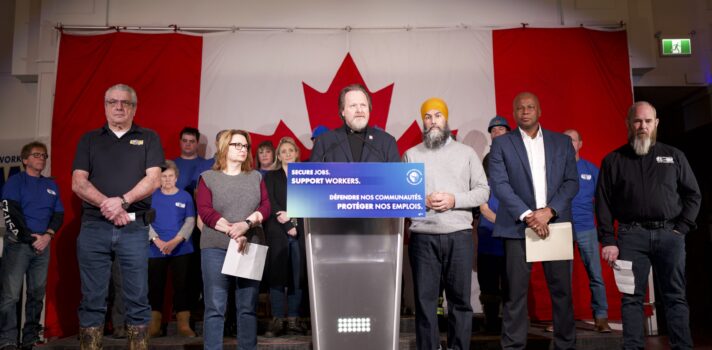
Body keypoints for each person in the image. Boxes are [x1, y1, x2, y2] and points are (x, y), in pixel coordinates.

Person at [596, 101, 701, 350]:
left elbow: (693, 195)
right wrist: (609, 240)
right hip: (631, 237)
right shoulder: (613, 161)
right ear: (629, 124)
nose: (642, 126)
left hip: (669, 235)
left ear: (656, 124)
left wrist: (681, 229)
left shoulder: (675, 156)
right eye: (637, 121)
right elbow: (603, 204)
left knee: (675, 296)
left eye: (647, 121)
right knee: (631, 298)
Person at [72, 83, 164, 349]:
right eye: (113, 102)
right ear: (105, 106)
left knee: (137, 298)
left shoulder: (149, 137)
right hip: (94, 228)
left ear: (134, 108)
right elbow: (78, 183)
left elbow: (154, 179)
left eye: (125, 103)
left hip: (134, 229)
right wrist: (109, 206)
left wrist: (122, 202)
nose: (119, 107)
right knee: (92, 298)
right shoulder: (89, 139)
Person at [489, 92, 578, 350]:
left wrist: (549, 211)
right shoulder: (502, 144)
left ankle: (565, 345)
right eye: (520, 108)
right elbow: (500, 184)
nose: (525, 111)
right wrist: (529, 215)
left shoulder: (561, 142)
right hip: (518, 226)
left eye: (530, 107)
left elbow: (571, 183)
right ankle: (514, 346)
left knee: (562, 293)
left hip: (555, 224)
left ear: (539, 111)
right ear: (514, 113)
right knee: (515, 294)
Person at [403, 98, 490, 350]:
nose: (433, 121)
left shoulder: (466, 153)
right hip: (423, 237)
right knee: (425, 302)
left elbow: (483, 191)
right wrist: (422, 199)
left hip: (459, 235)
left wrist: (454, 200)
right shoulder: (411, 154)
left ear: (446, 120)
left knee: (460, 302)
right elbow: (403, 197)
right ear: (423, 122)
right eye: (427, 117)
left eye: (437, 116)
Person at [196, 129, 271, 350]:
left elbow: (265, 207)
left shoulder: (256, 176)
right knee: (215, 307)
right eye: (237, 145)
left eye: (245, 146)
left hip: (250, 245)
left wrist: (245, 225)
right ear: (224, 148)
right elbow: (205, 211)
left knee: (247, 307)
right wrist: (233, 230)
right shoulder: (208, 178)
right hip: (215, 247)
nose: (242, 149)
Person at [0, 142, 64, 350]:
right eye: (36, 155)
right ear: (25, 159)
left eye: (44, 155)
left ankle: (30, 338)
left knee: (36, 293)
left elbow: (58, 214)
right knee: (11, 295)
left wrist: (47, 236)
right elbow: (11, 213)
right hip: (19, 245)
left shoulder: (51, 185)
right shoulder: (15, 182)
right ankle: (7, 340)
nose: (42, 158)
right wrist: (31, 238)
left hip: (43, 246)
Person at [559, 129, 611, 333]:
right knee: (562, 278)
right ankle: (563, 320)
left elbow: (603, 201)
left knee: (595, 275)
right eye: (565, 140)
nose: (568, 143)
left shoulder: (591, 169)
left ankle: (601, 317)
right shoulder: (555, 170)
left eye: (572, 139)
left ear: (580, 143)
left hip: (587, 228)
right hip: (561, 229)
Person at [263, 137, 307, 337]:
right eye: (283, 151)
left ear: (297, 153)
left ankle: (293, 319)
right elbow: (269, 203)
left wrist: (293, 218)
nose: (288, 154)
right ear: (278, 155)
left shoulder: (307, 176)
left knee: (298, 276)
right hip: (277, 232)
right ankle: (278, 319)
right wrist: (287, 223)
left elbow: (312, 201)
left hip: (300, 232)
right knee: (278, 275)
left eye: (291, 150)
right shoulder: (270, 177)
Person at [147, 160, 197, 338]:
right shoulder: (152, 196)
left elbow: (190, 221)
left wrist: (176, 241)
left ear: (176, 178)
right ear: (159, 179)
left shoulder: (185, 196)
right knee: (155, 286)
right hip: (155, 249)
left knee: (183, 286)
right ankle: (154, 326)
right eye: (163, 177)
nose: (167, 180)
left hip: (181, 248)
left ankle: (184, 325)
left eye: (170, 176)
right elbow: (146, 221)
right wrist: (157, 241)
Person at [477, 115, 510, 334]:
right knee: (488, 283)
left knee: (510, 284)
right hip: (488, 233)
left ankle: (510, 326)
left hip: (511, 235)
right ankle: (490, 324)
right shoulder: (486, 160)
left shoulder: (520, 158)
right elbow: (481, 196)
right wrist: (492, 218)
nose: (496, 132)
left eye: (500, 128)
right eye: (493, 130)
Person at [309, 84, 400, 162]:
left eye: (363, 105)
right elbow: (314, 178)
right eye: (353, 106)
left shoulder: (387, 142)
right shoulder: (325, 142)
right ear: (342, 111)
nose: (359, 110)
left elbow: (396, 178)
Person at [174, 127, 204, 195]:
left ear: (197, 143)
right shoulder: (170, 164)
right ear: (180, 142)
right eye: (185, 141)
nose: (188, 144)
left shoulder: (206, 165)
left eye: (192, 141)